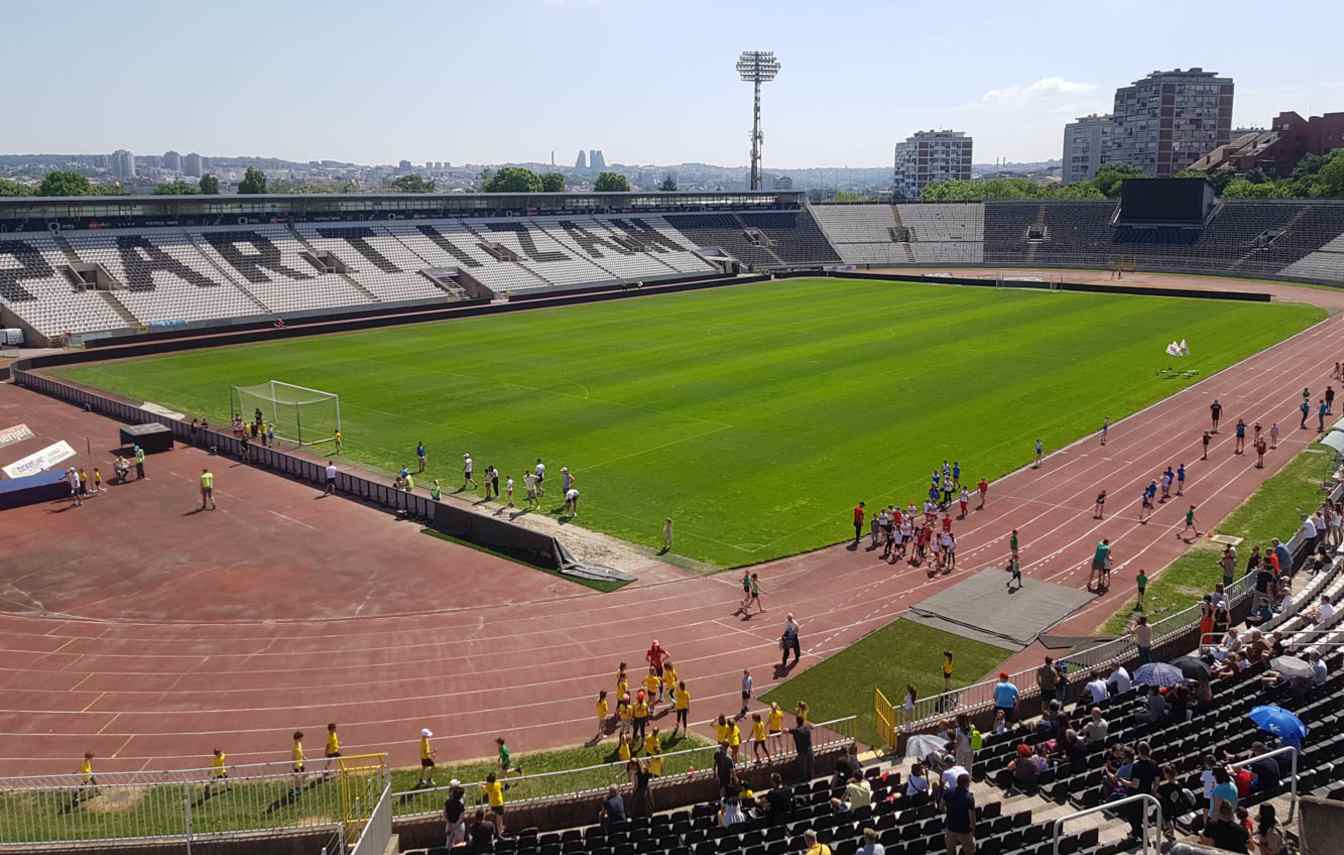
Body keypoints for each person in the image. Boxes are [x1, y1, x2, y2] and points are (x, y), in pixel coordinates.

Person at [943, 771, 976, 855]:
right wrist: (973, 830)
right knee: (969, 851)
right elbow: (972, 816)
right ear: (966, 783)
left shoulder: (948, 792)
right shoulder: (969, 797)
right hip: (964, 830)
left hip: (950, 828)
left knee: (950, 851)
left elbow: (941, 806)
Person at [790, 715, 814, 782]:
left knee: (803, 766)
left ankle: (804, 778)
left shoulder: (796, 730)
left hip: (802, 751)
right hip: (809, 749)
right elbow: (813, 726)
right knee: (810, 764)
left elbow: (786, 730)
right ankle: (810, 777)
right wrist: (806, 722)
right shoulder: (806, 728)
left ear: (797, 722)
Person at [444, 780, 468, 847]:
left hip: (450, 825)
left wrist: (449, 824)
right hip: (458, 826)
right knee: (459, 845)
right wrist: (455, 826)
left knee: (449, 844)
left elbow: (445, 814)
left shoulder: (448, 801)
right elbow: (461, 817)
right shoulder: (460, 803)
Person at [290, 731, 305, 797]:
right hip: (296, 765)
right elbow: (293, 757)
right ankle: (296, 789)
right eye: (301, 738)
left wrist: (304, 757)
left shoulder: (299, 743)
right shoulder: (294, 747)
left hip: (300, 763)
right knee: (298, 778)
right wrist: (293, 766)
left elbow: (301, 752)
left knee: (301, 777)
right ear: (297, 738)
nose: (301, 739)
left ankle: (297, 788)